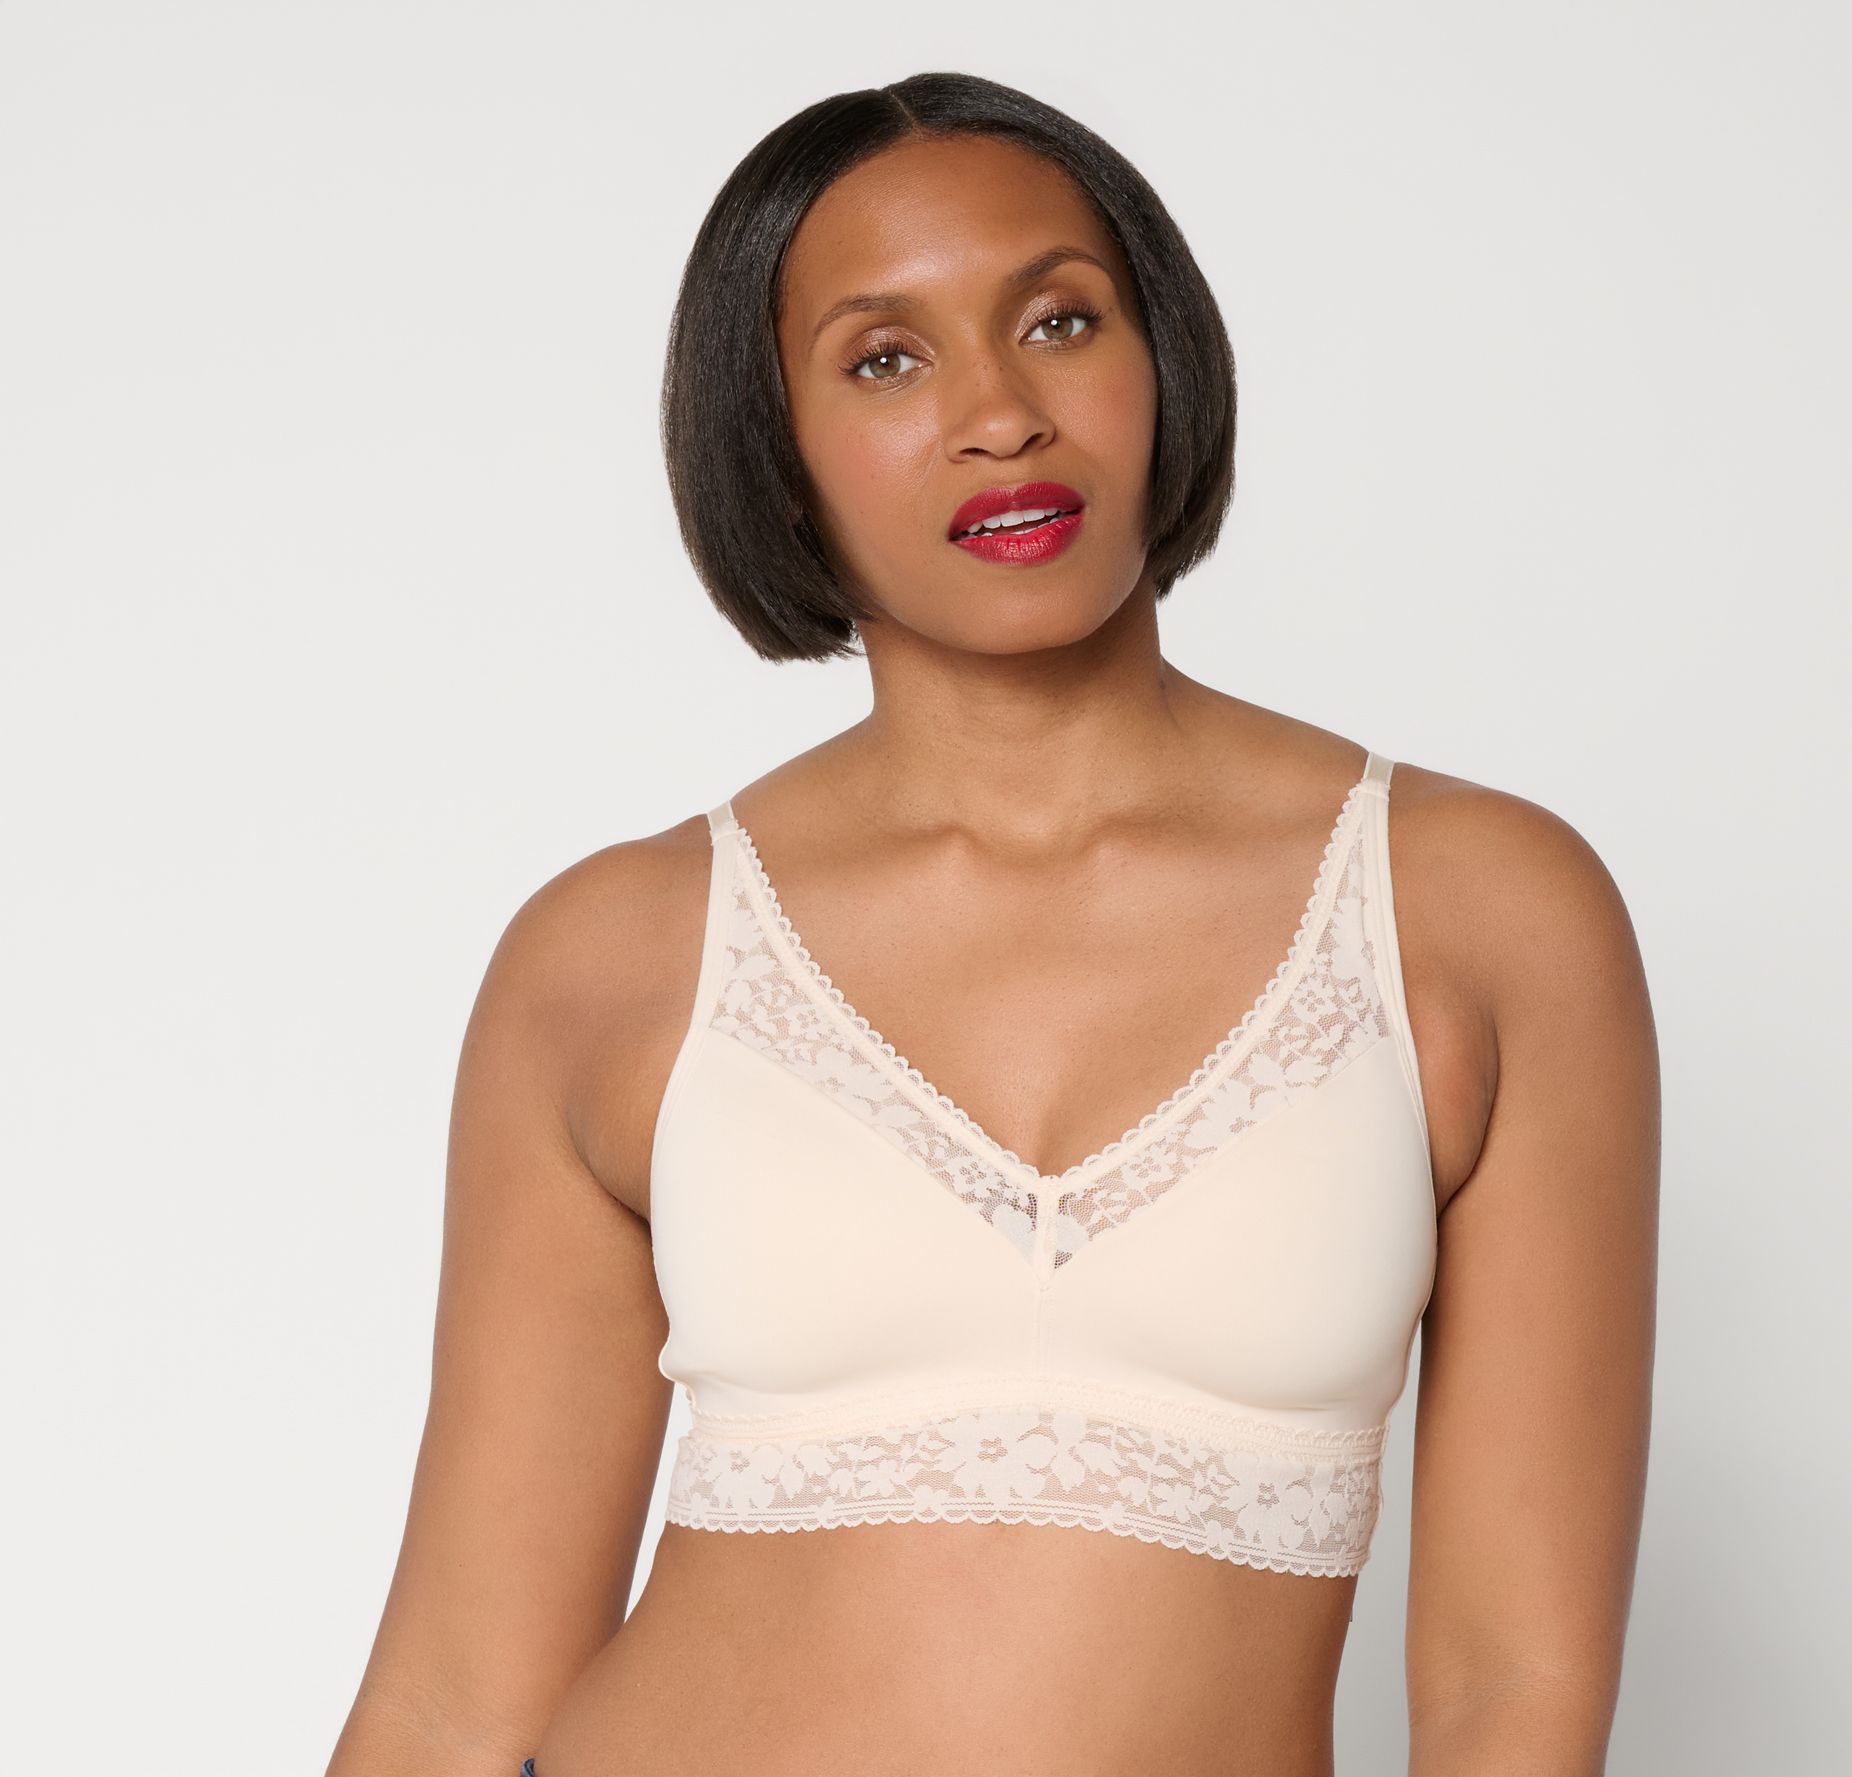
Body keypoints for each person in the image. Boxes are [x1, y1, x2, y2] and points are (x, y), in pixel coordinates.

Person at [327, 71, 1658, 1777]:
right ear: (777, 454)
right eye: (885, 358)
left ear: (1164, 363)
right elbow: (454, 1695)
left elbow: (1510, 1683)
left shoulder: (1476, 915)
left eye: (1060, 321)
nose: (1000, 414)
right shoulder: (613, 958)